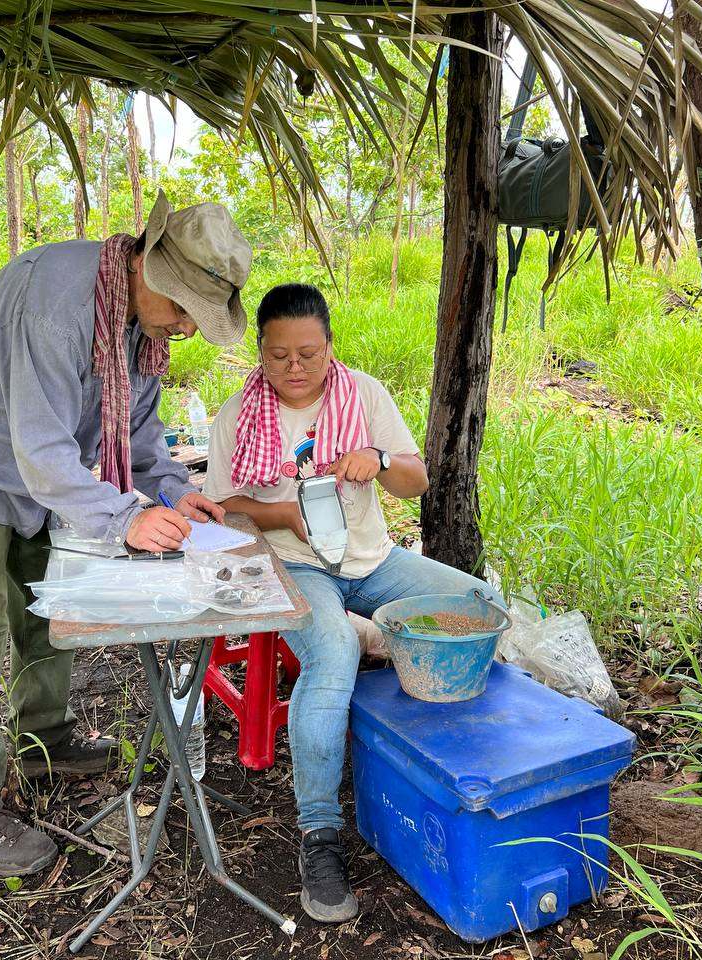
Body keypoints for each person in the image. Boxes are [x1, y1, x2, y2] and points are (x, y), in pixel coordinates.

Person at [0, 190, 250, 876]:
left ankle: (45, 742)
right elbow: (45, 452)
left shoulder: (138, 324)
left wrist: (175, 489)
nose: (186, 329)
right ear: (149, 269)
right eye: (182, 310)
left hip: (36, 470)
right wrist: (125, 517)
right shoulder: (56, 303)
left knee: (44, 604)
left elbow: (137, 432)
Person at [201, 283, 502, 924]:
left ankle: (452, 763)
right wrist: (282, 512)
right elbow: (223, 508)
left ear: (330, 346)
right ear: (260, 351)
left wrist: (379, 456)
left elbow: (416, 480)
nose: (294, 368)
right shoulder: (238, 415)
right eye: (278, 355)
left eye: (308, 353)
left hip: (371, 560)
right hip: (297, 568)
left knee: (479, 603)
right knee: (333, 653)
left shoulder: (362, 394)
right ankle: (320, 834)